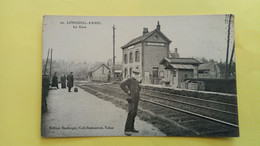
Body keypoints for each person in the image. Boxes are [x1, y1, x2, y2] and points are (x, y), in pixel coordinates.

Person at [120, 69, 142, 136]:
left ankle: (132, 128)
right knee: (131, 113)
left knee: (134, 113)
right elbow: (122, 85)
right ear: (134, 74)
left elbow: (138, 90)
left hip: (136, 99)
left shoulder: (136, 81)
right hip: (131, 99)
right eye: (136, 74)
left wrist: (140, 86)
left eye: (138, 74)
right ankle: (127, 130)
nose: (137, 76)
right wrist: (127, 91)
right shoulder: (130, 79)